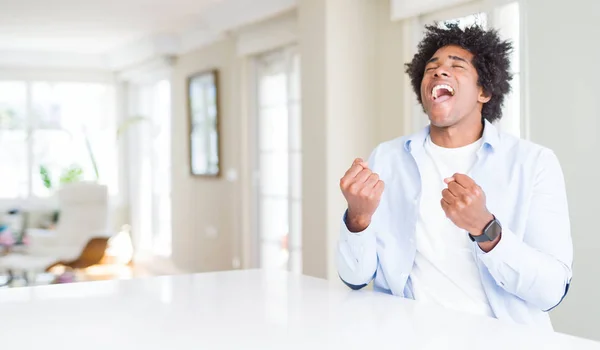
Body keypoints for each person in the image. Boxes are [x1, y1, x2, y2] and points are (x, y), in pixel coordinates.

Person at [337, 23, 572, 330]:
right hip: (405, 336)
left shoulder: (534, 163)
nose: (438, 72)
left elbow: (552, 291)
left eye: (456, 66)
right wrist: (358, 219)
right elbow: (355, 278)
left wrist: (486, 229)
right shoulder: (387, 157)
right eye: (431, 67)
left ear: (484, 91)